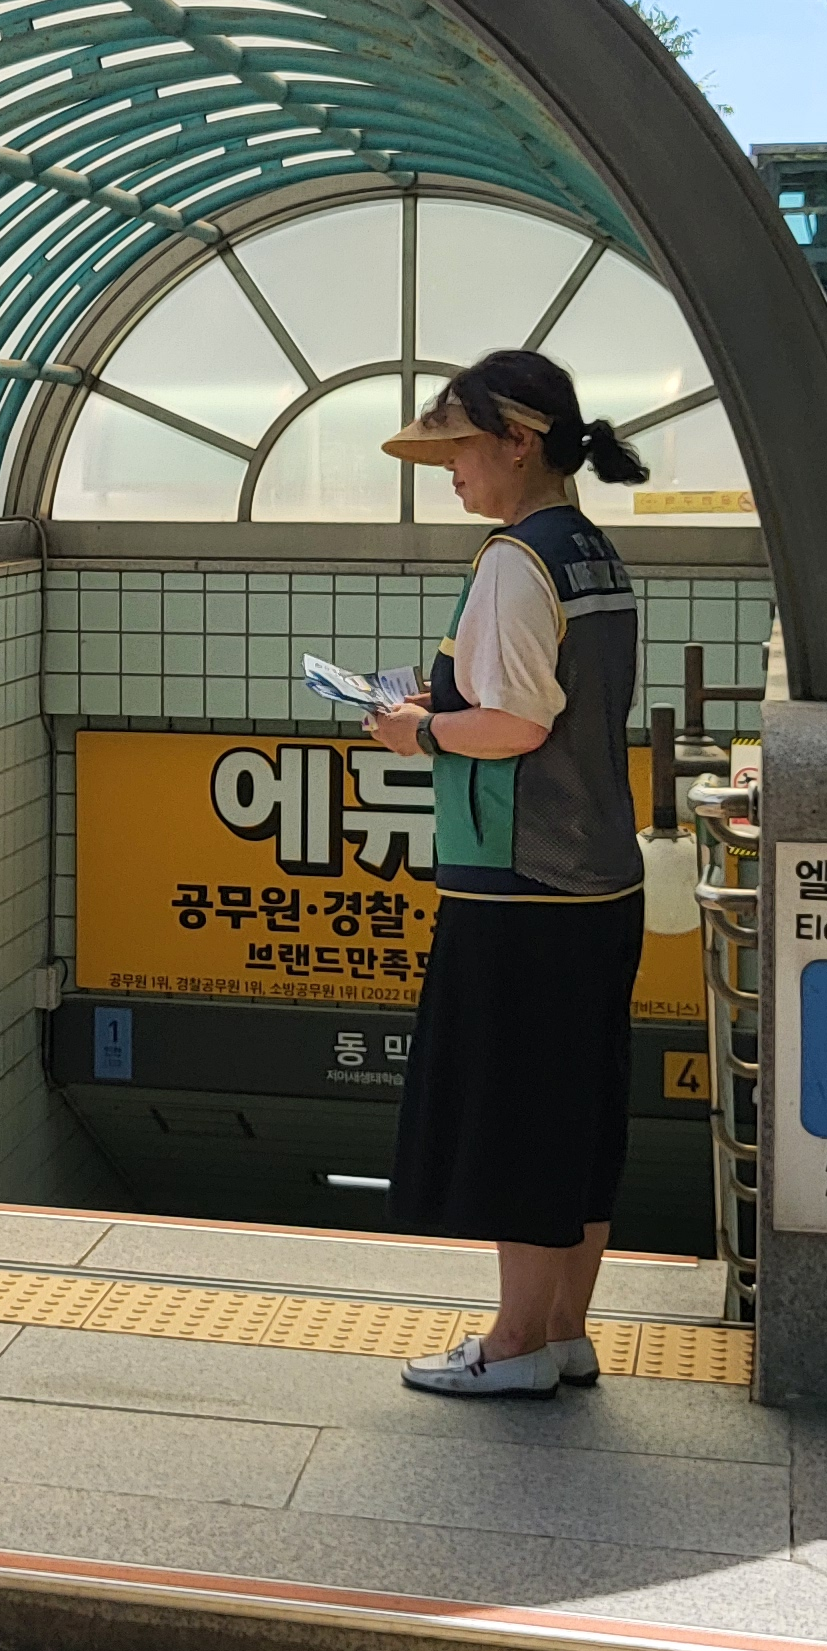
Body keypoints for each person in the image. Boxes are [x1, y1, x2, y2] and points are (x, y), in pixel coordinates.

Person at [367, 350, 651, 1396]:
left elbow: (516, 724)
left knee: (516, 1115)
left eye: (458, 448)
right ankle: (566, 1331)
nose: (448, 471)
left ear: (516, 442)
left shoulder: (513, 560)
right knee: (578, 1113)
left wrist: (416, 727)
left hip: (517, 884)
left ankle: (515, 1345)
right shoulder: (591, 552)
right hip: (597, 879)